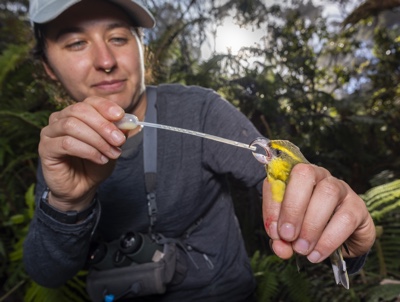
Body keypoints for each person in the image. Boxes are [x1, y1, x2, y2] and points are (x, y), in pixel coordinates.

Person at [24, 0, 376, 301]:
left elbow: (287, 185)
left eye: (118, 38)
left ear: (141, 46)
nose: (105, 60)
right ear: (48, 68)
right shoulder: (61, 150)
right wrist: (67, 205)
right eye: (74, 43)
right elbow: (46, 273)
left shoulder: (200, 112)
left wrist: (334, 229)